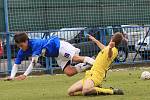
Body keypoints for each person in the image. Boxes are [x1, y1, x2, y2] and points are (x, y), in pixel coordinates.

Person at [6, 32, 95, 80]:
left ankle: (95, 62)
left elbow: (33, 62)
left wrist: (25, 75)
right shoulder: (22, 51)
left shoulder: (35, 44)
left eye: (21, 45)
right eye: (19, 46)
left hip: (60, 47)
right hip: (57, 55)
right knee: (69, 72)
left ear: (26, 41)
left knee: (76, 58)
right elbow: (16, 64)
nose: (21, 48)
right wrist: (12, 76)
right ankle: (90, 62)